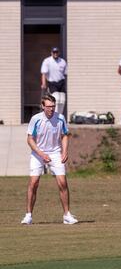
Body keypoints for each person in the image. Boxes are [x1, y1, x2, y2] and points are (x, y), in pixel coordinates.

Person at [21, 94, 78, 225]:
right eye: (48, 106)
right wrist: (41, 154)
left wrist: (64, 151)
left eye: (53, 106)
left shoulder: (60, 118)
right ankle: (28, 215)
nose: (51, 109)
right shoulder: (36, 119)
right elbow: (30, 139)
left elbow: (64, 135)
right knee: (33, 183)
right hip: (38, 154)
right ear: (42, 106)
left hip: (55, 153)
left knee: (62, 182)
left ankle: (67, 215)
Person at [41, 47, 67, 115]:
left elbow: (65, 74)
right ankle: (54, 115)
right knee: (57, 100)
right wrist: (44, 83)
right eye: (54, 52)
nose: (55, 54)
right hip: (52, 82)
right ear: (51, 53)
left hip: (61, 82)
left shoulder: (62, 61)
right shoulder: (47, 61)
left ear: (59, 53)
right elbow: (44, 73)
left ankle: (60, 115)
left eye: (56, 52)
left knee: (62, 101)